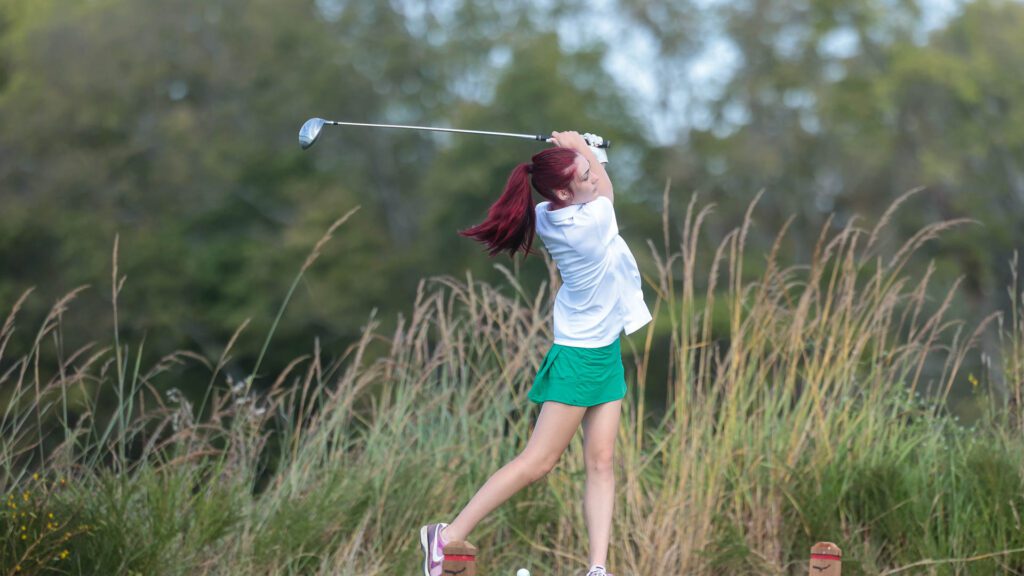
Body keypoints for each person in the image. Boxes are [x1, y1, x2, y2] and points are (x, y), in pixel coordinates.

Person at [419, 131, 651, 576]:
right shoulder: (590, 224)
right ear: (566, 191)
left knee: (602, 463)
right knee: (538, 462)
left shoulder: (550, 212)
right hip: (579, 357)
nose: (591, 176)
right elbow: (607, 191)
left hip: (603, 351)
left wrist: (585, 154)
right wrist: (580, 146)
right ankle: (445, 535)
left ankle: (597, 569)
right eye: (581, 175)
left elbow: (593, 184)